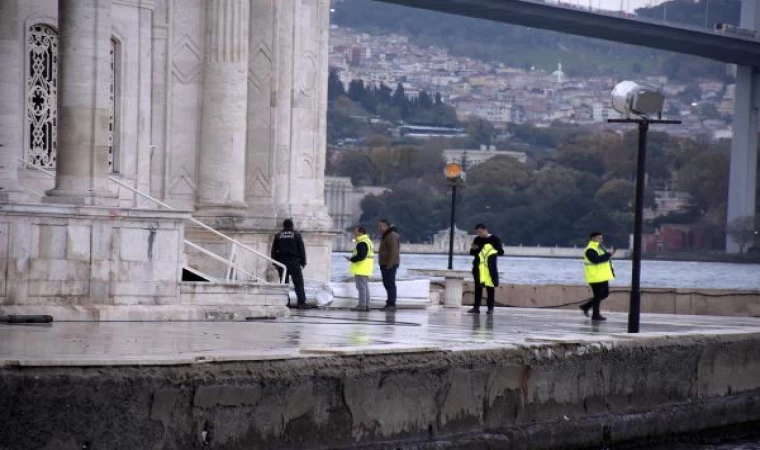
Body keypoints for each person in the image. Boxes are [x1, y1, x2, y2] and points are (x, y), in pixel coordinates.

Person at [467, 224, 504, 315]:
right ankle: (476, 307)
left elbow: (500, 252)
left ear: (485, 230)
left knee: (490, 288)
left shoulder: (495, 239)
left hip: (489, 267)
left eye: (480, 232)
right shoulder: (477, 239)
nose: (479, 234)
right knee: (477, 288)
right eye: (477, 233)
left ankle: (490, 308)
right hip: (478, 267)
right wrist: (476, 249)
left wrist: (488, 250)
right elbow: (472, 252)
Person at [270, 219, 307, 309]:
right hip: (294, 261)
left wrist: (275, 262)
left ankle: (285, 302)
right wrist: (303, 262)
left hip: (282, 261)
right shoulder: (297, 235)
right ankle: (301, 303)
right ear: (292, 225)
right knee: (298, 283)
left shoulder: (278, 235)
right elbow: (301, 249)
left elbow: (274, 250)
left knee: (284, 283)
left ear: (284, 225)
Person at [579, 231, 616, 322]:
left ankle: (586, 306)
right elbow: (596, 260)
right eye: (599, 238)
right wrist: (608, 255)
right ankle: (595, 315)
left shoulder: (599, 247)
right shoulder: (590, 249)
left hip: (602, 276)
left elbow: (603, 259)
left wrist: (609, 254)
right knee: (598, 295)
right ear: (593, 238)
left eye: (601, 238)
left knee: (604, 294)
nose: (601, 239)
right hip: (595, 277)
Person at [347, 226, 374, 311]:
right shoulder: (368, 241)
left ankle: (362, 305)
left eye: (356, 232)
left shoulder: (362, 242)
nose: (355, 233)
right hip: (367, 268)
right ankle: (366, 305)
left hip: (361, 268)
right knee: (365, 287)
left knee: (361, 288)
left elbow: (361, 256)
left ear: (361, 232)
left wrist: (351, 259)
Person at [377, 219, 400, 310]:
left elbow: (393, 251)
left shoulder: (391, 235)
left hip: (389, 264)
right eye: (379, 226)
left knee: (390, 284)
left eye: (381, 226)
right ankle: (389, 303)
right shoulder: (387, 235)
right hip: (385, 264)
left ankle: (391, 304)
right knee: (387, 283)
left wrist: (389, 265)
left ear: (386, 226)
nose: (379, 228)